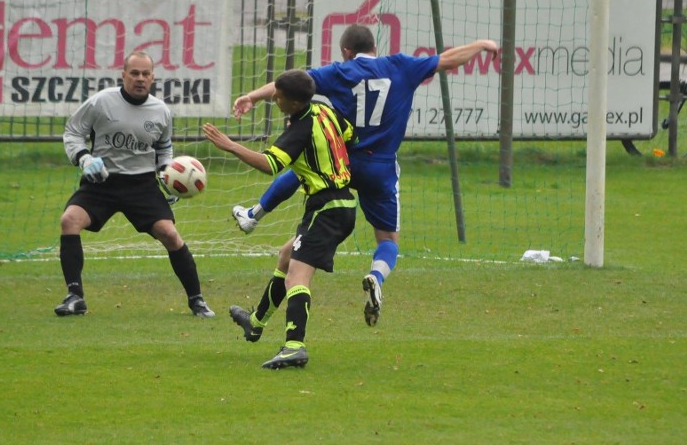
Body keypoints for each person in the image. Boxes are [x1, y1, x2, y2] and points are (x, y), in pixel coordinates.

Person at [230, 24, 498, 328]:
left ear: (346, 51)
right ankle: (376, 275)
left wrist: (252, 96)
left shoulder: (341, 71)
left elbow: (290, 84)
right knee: (388, 239)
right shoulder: (401, 65)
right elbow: (446, 60)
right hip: (380, 167)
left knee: (303, 168)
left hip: (343, 158)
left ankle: (255, 213)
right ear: (374, 46)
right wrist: (481, 43)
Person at [203, 69, 356, 369]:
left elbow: (270, 165)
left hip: (325, 207)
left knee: (297, 276)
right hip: (343, 203)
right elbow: (350, 133)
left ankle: (294, 346)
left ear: (295, 103)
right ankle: (256, 322)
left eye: (279, 96)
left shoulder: (300, 128)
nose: (274, 97)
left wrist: (232, 146)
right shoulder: (324, 110)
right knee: (286, 255)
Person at [55, 50, 215, 318]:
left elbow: (164, 148)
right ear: (123, 75)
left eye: (145, 74)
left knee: (170, 234)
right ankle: (75, 297)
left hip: (142, 186)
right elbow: (73, 132)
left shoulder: (161, 111)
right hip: (101, 182)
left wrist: (167, 174)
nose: (140, 79)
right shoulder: (101, 102)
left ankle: (197, 300)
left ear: (152, 77)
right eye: (134, 73)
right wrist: (84, 159)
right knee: (69, 220)